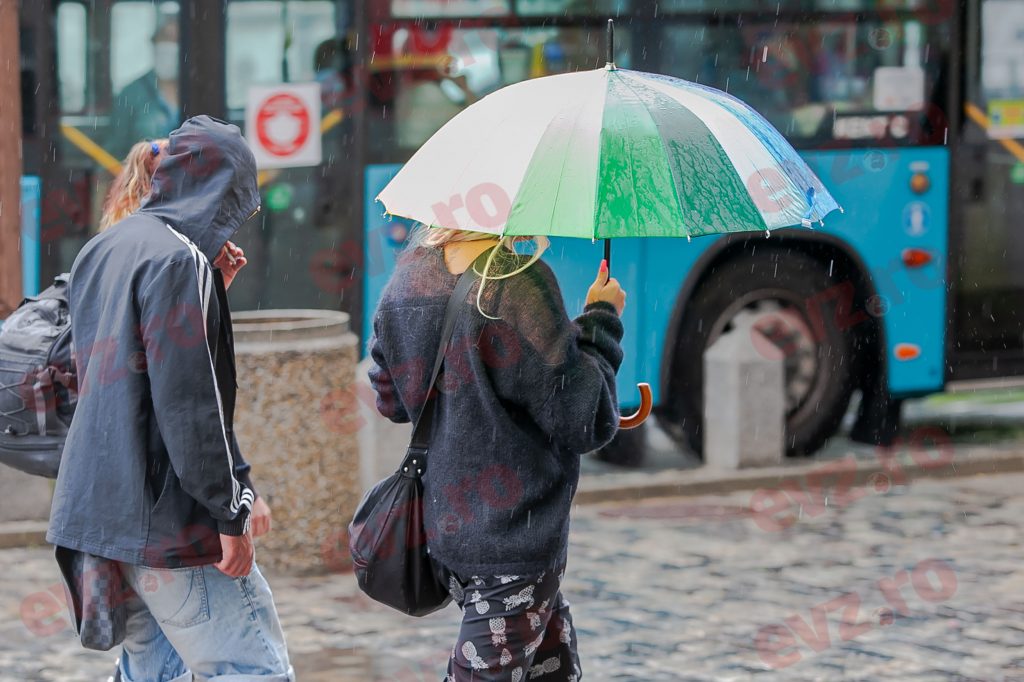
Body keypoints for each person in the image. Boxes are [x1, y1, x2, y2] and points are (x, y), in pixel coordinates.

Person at [47, 116, 292, 681]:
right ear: (222, 191)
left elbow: (103, 368)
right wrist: (231, 514)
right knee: (252, 670)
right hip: (167, 521)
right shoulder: (179, 260)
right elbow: (190, 408)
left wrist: (208, 292)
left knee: (151, 671)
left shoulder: (108, 245)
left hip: (100, 513)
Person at [368, 228, 626, 680]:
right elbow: (585, 418)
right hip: (513, 541)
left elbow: (390, 399)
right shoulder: (517, 283)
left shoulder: (408, 281)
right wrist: (601, 319)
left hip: (448, 529)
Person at [98, 137, 274, 534]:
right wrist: (237, 497)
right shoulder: (171, 257)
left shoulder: (112, 245)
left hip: (110, 486)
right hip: (162, 494)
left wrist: (210, 291)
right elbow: (193, 396)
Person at [108, 16, 181, 158]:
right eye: (165, 38)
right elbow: (113, 152)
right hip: (144, 178)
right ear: (153, 42)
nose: (170, 47)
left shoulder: (199, 94)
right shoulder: (131, 94)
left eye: (177, 41)